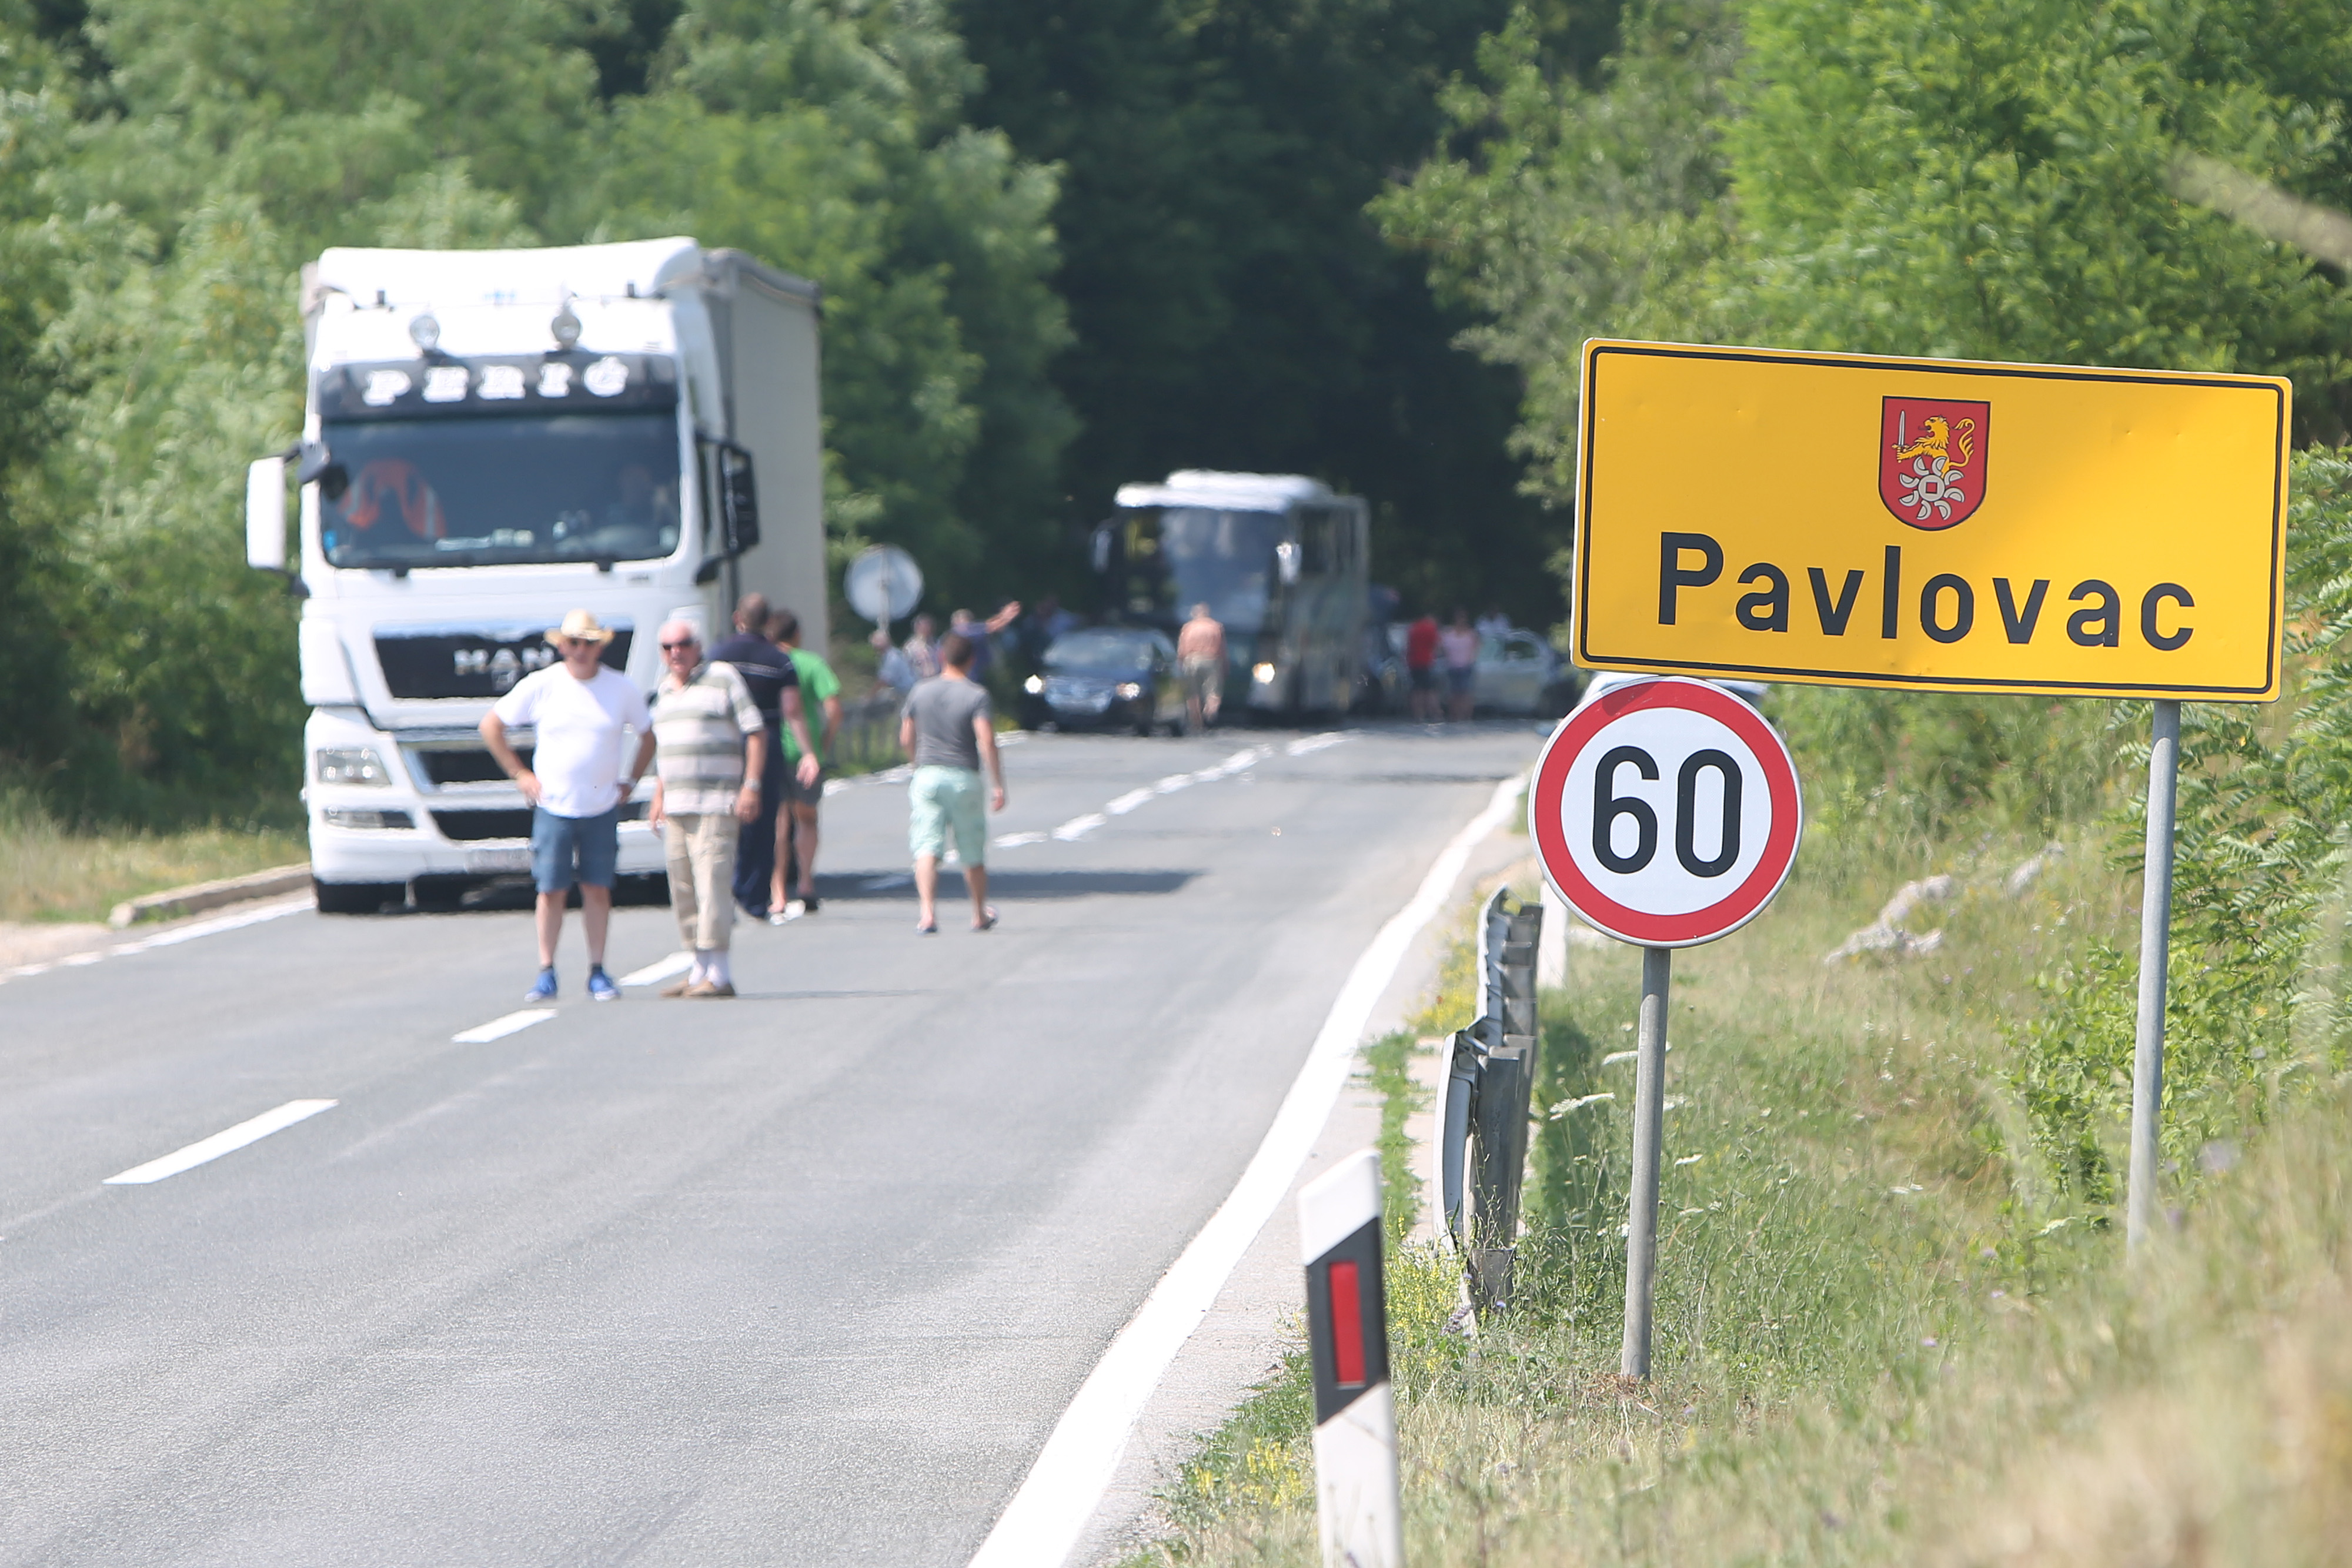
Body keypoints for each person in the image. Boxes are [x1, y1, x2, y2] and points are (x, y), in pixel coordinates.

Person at [479, 609, 653, 1003]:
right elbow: (491, 725)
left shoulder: (620, 687)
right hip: (554, 805)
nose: (581, 650)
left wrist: (630, 780)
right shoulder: (543, 684)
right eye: (574, 643)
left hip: (601, 804)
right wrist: (520, 773)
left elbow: (647, 734)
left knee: (598, 888)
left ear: (599, 647)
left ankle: (598, 968)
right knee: (551, 888)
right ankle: (546, 969)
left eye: (588, 643)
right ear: (562, 646)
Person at [647, 620, 800, 998]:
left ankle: (719, 973)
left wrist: (751, 786)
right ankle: (698, 968)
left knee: (712, 883)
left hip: (716, 801)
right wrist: (658, 796)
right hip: (677, 803)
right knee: (683, 887)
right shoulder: (664, 690)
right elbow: (665, 750)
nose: (676, 653)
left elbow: (755, 732)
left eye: (683, 644)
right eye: (668, 647)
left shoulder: (722, 678)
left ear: (698, 646)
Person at [707, 593, 816, 918]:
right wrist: (808, 752)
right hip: (766, 742)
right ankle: (753, 896)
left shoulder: (718, 656)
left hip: (726, 741)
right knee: (763, 819)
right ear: (769, 622)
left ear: (737, 618)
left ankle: (721, 889)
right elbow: (792, 710)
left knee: (722, 814)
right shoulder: (779, 660)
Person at [899, 632, 1007, 933]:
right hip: (963, 776)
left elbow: (906, 736)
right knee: (971, 849)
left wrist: (916, 764)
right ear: (972, 660)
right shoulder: (976, 695)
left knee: (926, 847)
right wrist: (998, 784)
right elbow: (986, 740)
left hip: (927, 774)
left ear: (941, 656)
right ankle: (978, 913)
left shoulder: (920, 691)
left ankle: (928, 914)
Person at [767, 607, 841, 919]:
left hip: (773, 750)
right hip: (806, 753)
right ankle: (806, 882)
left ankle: (778, 891)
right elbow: (834, 708)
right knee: (807, 819)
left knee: (779, 823)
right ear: (797, 634)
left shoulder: (769, 664)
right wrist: (823, 743)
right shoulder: (812, 664)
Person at [1175, 601, 1227, 733]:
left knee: (1193, 693)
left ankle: (1197, 722)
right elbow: (1222, 650)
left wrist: (1180, 664)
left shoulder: (1188, 628)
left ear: (1195, 614)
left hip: (1192, 660)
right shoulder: (1216, 627)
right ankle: (1210, 712)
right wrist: (1224, 666)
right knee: (1213, 692)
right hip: (1212, 660)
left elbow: (1182, 650)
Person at [1440, 609, 1482, 722]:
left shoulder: (1471, 634)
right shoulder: (1449, 634)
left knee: (1466, 693)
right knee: (1454, 693)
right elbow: (1443, 648)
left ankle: (1466, 716)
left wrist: (1472, 658)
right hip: (1452, 666)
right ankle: (1455, 716)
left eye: (1462, 618)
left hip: (1466, 666)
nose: (1460, 621)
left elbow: (1477, 647)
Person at [1404, 611, 1441, 723]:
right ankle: (1435, 714)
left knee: (1417, 689)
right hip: (1426, 662)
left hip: (1413, 662)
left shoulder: (1413, 628)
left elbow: (1408, 645)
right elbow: (1437, 646)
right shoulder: (1431, 628)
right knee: (1430, 689)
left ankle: (1418, 715)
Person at [872, 626, 917, 696]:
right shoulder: (892, 654)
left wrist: (869, 696)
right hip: (907, 689)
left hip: (907, 691)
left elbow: (884, 681)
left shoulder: (893, 658)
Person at [903, 613, 943, 682]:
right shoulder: (910, 648)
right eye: (923, 626)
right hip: (919, 682)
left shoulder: (938, 645)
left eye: (928, 626)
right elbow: (906, 669)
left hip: (937, 681)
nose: (926, 629)